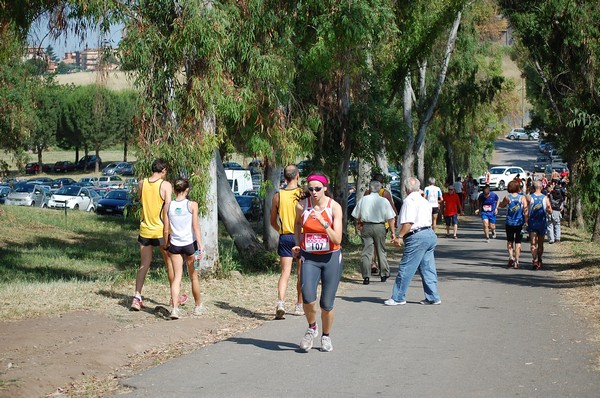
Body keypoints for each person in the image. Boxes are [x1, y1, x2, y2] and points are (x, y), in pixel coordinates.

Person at [292, 173, 343, 352]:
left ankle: (326, 336)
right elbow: (297, 224)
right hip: (309, 257)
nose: (314, 192)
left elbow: (337, 238)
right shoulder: (302, 207)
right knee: (307, 296)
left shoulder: (334, 207)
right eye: (311, 189)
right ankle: (312, 327)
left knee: (326, 304)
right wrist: (298, 243)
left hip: (331, 257)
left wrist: (325, 224)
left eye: (317, 189)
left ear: (325, 188)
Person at [131, 159, 181, 311]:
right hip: (161, 230)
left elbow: (141, 200)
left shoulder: (141, 183)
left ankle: (137, 297)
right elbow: (169, 210)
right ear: (164, 170)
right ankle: (175, 298)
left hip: (145, 229)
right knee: (170, 263)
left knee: (144, 264)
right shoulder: (165, 185)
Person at [384, 177, 441, 306]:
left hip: (416, 236)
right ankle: (433, 296)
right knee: (428, 267)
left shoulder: (409, 201)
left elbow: (408, 222)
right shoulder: (423, 200)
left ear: (406, 188)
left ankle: (398, 297)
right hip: (429, 233)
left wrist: (399, 236)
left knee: (406, 267)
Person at [166, 178, 206, 319]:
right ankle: (198, 306)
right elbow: (196, 226)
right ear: (187, 189)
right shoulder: (192, 205)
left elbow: (167, 228)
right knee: (193, 276)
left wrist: (167, 243)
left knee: (177, 277)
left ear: (175, 190)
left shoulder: (169, 205)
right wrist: (200, 245)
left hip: (175, 245)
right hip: (190, 245)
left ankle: (175, 309)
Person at [270, 165, 304, 319]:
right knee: (300, 273)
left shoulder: (278, 195)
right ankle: (299, 305)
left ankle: (281, 302)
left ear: (285, 177)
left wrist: (281, 230)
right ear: (297, 176)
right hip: (301, 236)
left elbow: (272, 221)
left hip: (285, 237)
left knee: (285, 273)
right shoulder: (303, 193)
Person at [352, 180, 397, 285]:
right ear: (380, 188)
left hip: (366, 226)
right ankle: (384, 274)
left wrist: (360, 223)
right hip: (380, 226)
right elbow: (391, 217)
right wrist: (393, 232)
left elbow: (356, 214)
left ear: (369, 188)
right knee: (381, 250)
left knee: (367, 251)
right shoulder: (384, 201)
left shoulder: (363, 199)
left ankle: (366, 276)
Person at [363, 173, 397, 275]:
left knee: (370, 246)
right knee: (380, 246)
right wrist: (396, 216)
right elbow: (391, 206)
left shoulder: (366, 193)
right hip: (382, 223)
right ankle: (381, 269)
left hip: (368, 223)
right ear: (381, 183)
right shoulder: (385, 193)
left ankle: (373, 263)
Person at [499, 180, 529, 268]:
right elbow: (526, 211)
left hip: (509, 223)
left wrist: (498, 203)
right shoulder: (522, 198)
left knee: (510, 241)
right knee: (518, 242)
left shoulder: (507, 197)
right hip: (520, 223)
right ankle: (517, 261)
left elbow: (502, 205)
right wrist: (526, 221)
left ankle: (511, 257)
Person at [527, 180, 552, 270]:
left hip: (532, 222)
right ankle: (540, 260)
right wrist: (548, 210)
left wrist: (525, 220)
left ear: (533, 188)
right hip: (542, 223)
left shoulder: (529, 197)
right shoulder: (545, 198)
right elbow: (550, 210)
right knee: (540, 243)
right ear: (541, 187)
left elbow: (525, 210)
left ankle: (534, 260)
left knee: (533, 243)